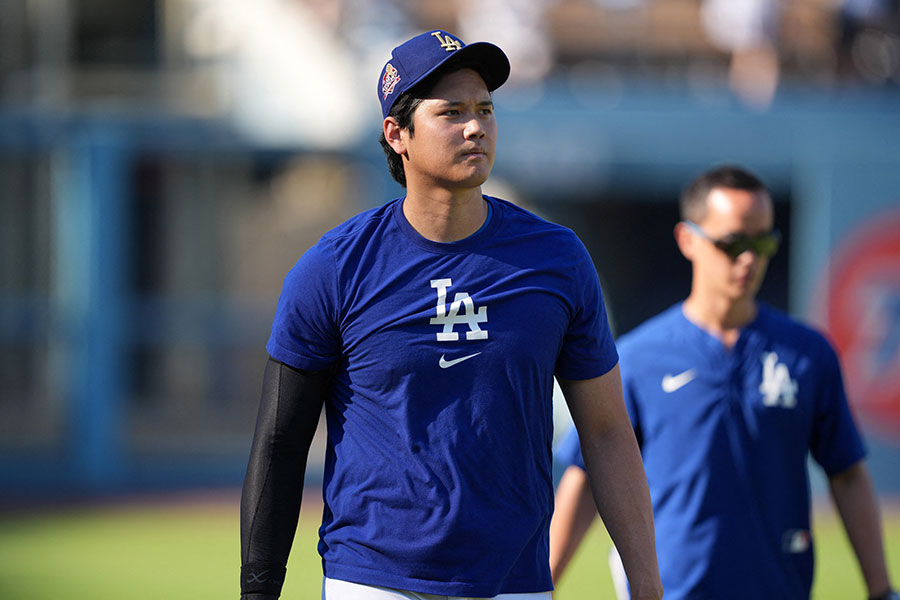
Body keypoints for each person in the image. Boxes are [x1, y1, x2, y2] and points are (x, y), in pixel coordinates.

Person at [239, 29, 663, 600]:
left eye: (486, 110)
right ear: (397, 135)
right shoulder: (333, 268)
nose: (476, 127)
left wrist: (647, 584)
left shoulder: (558, 259)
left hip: (516, 582)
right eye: (452, 112)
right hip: (374, 581)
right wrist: (257, 592)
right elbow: (279, 442)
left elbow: (608, 432)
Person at [549, 164, 898, 600]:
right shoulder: (637, 358)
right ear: (688, 239)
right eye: (733, 243)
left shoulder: (808, 354)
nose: (750, 258)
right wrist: (546, 586)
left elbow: (846, 473)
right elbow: (586, 477)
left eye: (762, 242)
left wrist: (882, 591)